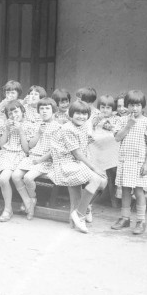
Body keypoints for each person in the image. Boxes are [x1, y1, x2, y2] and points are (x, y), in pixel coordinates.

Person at [49, 100, 107, 234]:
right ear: (70, 115)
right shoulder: (68, 129)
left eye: (84, 114)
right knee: (96, 178)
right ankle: (80, 214)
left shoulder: (84, 125)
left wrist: (87, 140)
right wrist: (94, 168)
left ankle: (84, 208)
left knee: (103, 182)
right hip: (65, 164)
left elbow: (82, 146)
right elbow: (76, 153)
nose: (81, 116)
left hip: (76, 163)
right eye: (77, 113)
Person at [111, 90, 147, 235]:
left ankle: (141, 221)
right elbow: (117, 138)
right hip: (125, 161)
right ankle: (125, 218)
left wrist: (146, 163)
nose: (134, 108)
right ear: (127, 106)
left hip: (139, 163)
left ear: (142, 106)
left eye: (138, 105)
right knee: (125, 190)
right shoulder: (121, 120)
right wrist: (128, 125)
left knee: (139, 192)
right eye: (131, 105)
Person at [0, 100, 35, 222]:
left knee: (3, 179)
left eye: (16, 111)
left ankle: (8, 209)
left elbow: (27, 150)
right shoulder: (5, 125)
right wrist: (6, 129)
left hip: (17, 155)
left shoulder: (29, 126)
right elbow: (1, 145)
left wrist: (20, 130)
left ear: (22, 111)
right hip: (4, 154)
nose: (14, 115)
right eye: (10, 114)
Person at [12, 97, 59, 220]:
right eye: (41, 109)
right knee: (15, 176)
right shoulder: (36, 125)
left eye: (47, 108)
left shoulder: (58, 127)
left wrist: (40, 160)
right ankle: (28, 201)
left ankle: (32, 200)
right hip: (32, 157)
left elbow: (54, 150)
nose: (44, 111)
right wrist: (39, 132)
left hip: (46, 160)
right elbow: (30, 145)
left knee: (28, 177)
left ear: (53, 110)